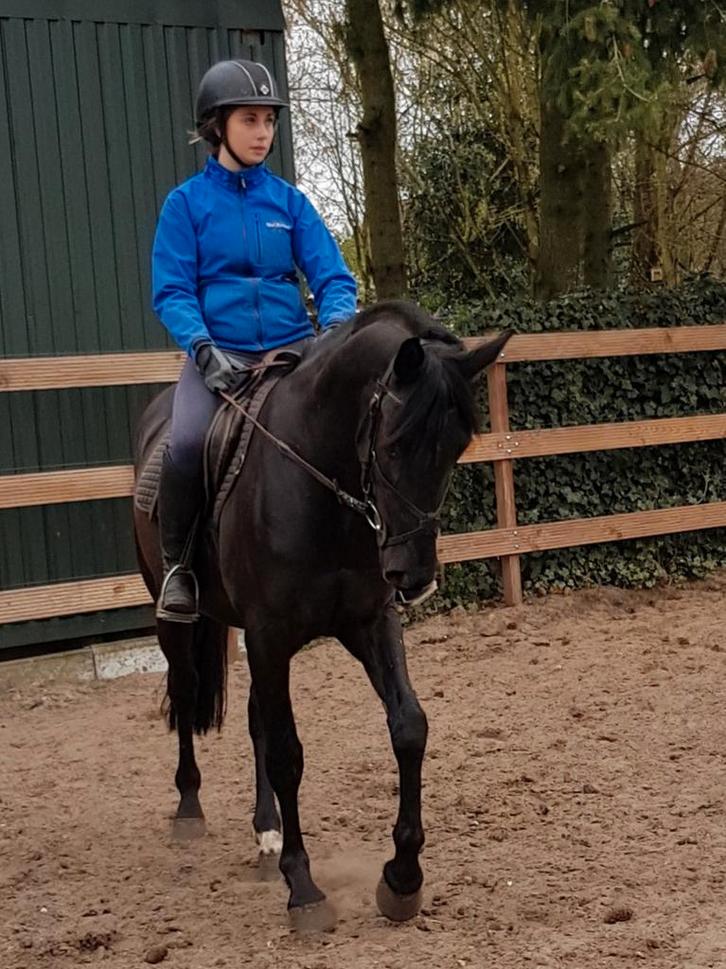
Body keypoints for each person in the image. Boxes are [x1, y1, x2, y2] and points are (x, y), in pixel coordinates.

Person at [152, 59, 358, 623]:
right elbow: (172, 290)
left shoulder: (290, 203)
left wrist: (333, 331)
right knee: (187, 442)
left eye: (269, 120)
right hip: (221, 357)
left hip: (293, 353)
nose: (264, 132)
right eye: (250, 120)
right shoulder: (185, 205)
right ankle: (179, 568)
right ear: (217, 126)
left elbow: (335, 279)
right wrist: (201, 347)